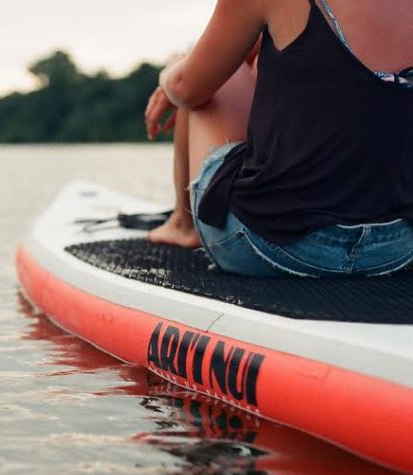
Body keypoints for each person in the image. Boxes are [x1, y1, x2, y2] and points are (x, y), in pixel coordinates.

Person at [143, 0, 413, 277]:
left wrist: (170, 74)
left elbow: (186, 89)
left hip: (274, 246)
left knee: (192, 67)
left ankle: (183, 225)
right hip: (394, 249)